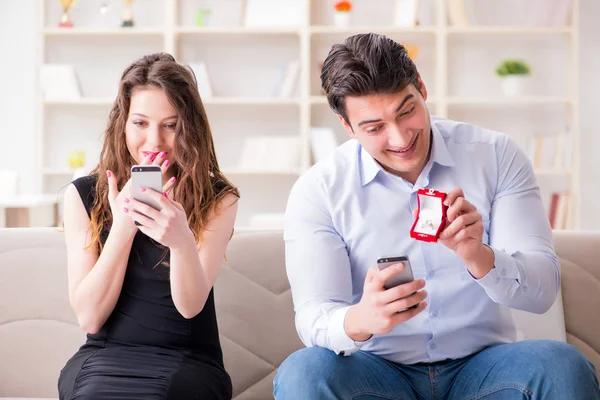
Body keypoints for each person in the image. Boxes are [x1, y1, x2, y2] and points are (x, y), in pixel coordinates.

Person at [275, 33, 600, 399]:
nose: (400, 138)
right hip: (377, 371)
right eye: (375, 127)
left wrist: (480, 257)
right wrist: (360, 320)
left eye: (406, 111)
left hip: (484, 366)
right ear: (347, 127)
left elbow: (542, 293)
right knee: (303, 373)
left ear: (421, 88)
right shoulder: (319, 190)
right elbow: (314, 315)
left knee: (562, 366)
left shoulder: (495, 156)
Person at [58, 53, 239, 400]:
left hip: (187, 360)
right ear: (122, 124)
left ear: (189, 128)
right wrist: (124, 226)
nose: (154, 141)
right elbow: (90, 318)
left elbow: (189, 307)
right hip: (103, 358)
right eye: (140, 123)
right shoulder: (82, 195)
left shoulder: (218, 199)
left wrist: (181, 240)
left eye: (170, 125)